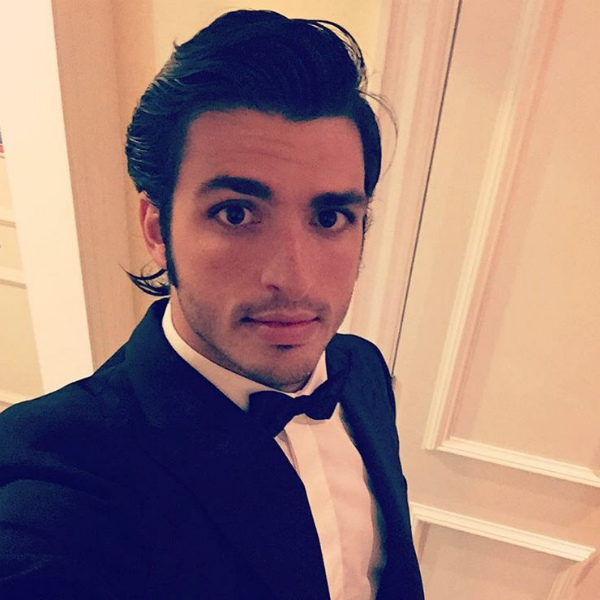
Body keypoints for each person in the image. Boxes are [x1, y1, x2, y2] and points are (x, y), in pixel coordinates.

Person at [0, 9, 424, 600]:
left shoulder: (362, 370)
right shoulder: (58, 469)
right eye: (236, 213)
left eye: (330, 217)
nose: (294, 279)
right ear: (157, 227)